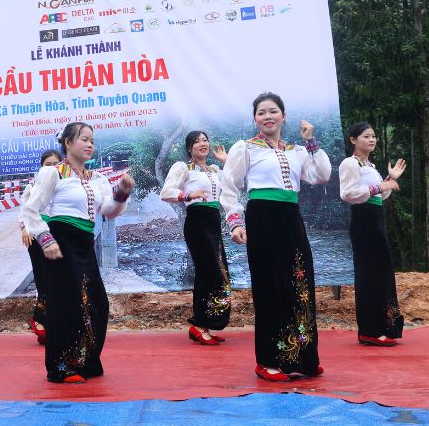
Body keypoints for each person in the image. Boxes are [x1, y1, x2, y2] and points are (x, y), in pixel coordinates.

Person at [220, 93, 331, 382]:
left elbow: (320, 176)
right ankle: (268, 360)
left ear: (283, 116)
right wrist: (235, 222)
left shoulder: (297, 151)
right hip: (262, 218)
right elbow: (229, 186)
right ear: (255, 119)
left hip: (291, 219)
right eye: (261, 113)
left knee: (299, 283)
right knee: (269, 287)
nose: (267, 116)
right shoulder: (245, 148)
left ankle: (305, 357)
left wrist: (311, 141)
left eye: (272, 111)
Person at [21, 122, 135, 383]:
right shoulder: (54, 173)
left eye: (92, 141)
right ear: (68, 143)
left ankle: (86, 361)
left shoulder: (97, 179)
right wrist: (46, 240)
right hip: (61, 241)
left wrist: (121, 193)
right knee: (67, 304)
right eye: (84, 139)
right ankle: (62, 367)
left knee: (97, 303)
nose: (89, 144)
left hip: (85, 243)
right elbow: (30, 209)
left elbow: (108, 211)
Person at [160, 131, 230, 345]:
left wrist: (227, 163)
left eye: (205, 140)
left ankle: (206, 323)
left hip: (213, 220)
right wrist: (187, 195)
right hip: (197, 221)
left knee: (219, 271)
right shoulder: (184, 168)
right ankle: (199, 325)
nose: (203, 143)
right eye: (197, 141)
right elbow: (166, 192)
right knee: (208, 271)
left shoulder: (215, 170)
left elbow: (232, 188)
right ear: (189, 148)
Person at [339, 122, 406, 346]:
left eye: (374, 136)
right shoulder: (350, 163)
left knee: (381, 272)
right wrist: (381, 186)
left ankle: (384, 326)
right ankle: (369, 330)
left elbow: (380, 196)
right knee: (368, 274)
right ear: (353, 140)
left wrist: (389, 179)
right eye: (366, 136)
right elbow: (348, 194)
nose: (372, 139)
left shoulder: (371, 166)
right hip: (364, 221)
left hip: (376, 218)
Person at [19, 149, 63, 344]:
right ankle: (41, 321)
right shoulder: (33, 186)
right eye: (48, 164)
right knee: (43, 279)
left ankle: (56, 322)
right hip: (37, 235)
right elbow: (24, 210)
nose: (52, 168)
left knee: (59, 280)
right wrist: (24, 229)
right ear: (41, 167)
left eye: (56, 164)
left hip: (60, 235)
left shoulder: (65, 186)